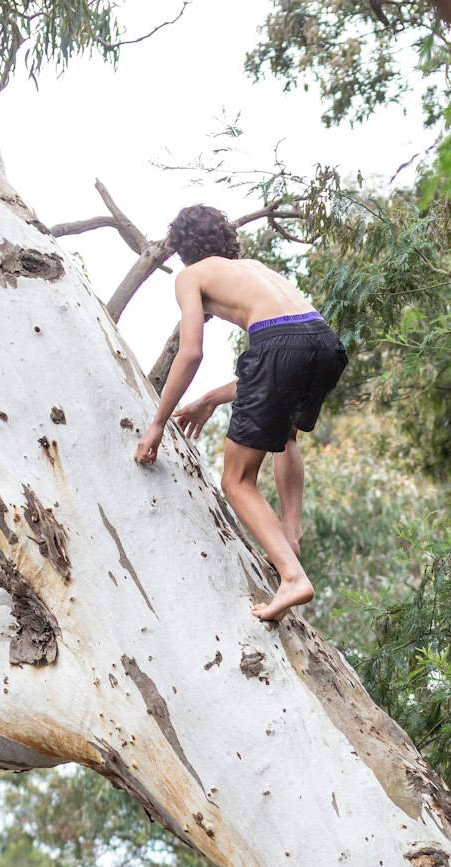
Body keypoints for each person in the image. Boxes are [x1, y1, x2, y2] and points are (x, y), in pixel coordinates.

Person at [133, 204, 348, 623]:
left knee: (236, 479)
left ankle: (291, 576)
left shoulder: (191, 276)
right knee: (283, 435)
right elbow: (287, 358)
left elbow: (192, 350)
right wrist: (211, 398)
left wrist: (158, 424)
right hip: (326, 342)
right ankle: (291, 530)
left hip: (280, 347)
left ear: (181, 248)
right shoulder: (254, 269)